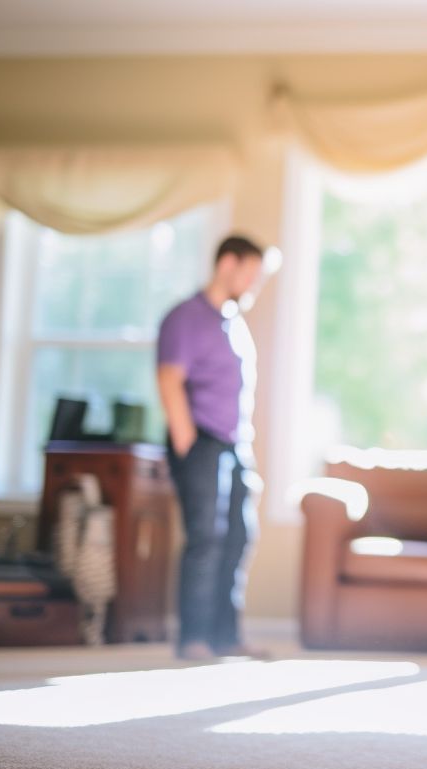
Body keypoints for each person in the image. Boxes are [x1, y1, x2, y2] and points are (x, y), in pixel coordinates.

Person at [156, 235, 269, 661]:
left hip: (236, 445)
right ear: (227, 263)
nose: (254, 284)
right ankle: (195, 639)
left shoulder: (232, 322)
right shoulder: (187, 317)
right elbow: (170, 379)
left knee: (239, 537)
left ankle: (226, 636)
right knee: (206, 539)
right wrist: (187, 441)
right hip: (203, 442)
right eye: (250, 273)